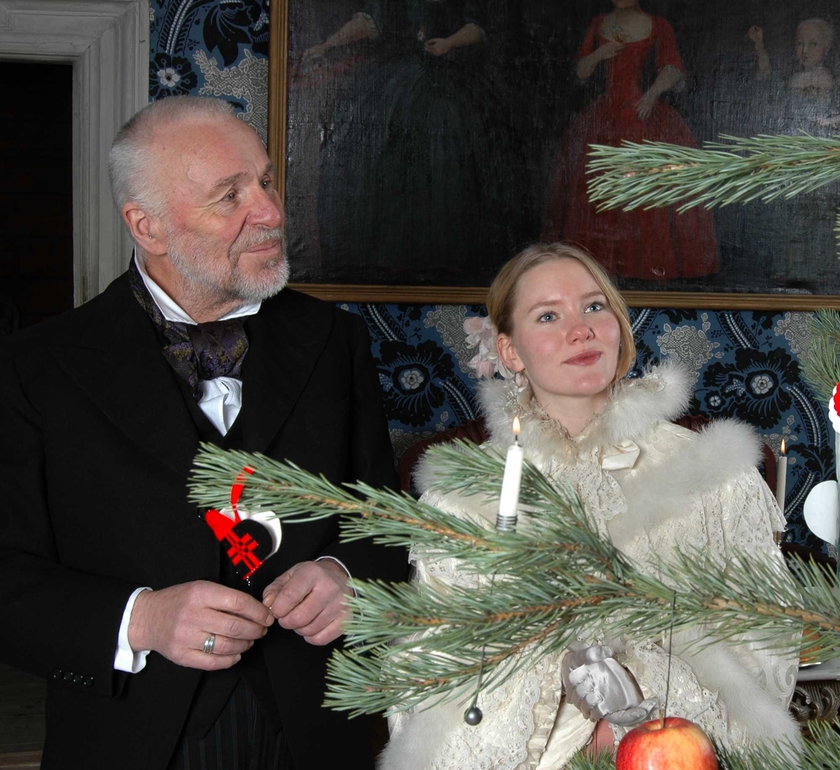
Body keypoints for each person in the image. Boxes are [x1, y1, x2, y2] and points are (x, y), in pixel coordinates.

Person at [0, 96, 407, 769]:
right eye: (230, 195)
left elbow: (384, 526)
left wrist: (346, 577)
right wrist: (141, 620)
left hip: (313, 737)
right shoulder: (32, 369)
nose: (271, 212)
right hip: (127, 740)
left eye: (266, 180)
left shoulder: (335, 341)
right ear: (148, 227)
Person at [380, 243, 798, 769]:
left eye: (595, 307)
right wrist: (568, 686)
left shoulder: (714, 474)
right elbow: (431, 672)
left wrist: (635, 704)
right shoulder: (466, 496)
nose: (580, 329)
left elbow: (766, 640)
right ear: (510, 352)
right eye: (549, 315)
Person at [302, 0, 511, 283]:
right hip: (396, 79)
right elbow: (369, 22)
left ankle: (444, 255)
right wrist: (327, 46)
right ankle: (389, 255)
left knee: (445, 149)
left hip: (448, 80)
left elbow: (478, 28)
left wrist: (449, 43)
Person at [543, 1, 719, 282]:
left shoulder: (657, 24)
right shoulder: (599, 22)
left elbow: (673, 69)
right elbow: (580, 72)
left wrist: (650, 96)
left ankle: (644, 269)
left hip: (645, 113)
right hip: (604, 119)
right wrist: (600, 54)